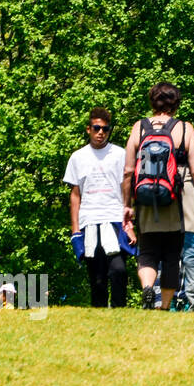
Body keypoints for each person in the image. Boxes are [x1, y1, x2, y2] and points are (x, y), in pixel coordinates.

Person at [122, 83, 194, 311]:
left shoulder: (139, 127)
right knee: (172, 252)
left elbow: (129, 171)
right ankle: (165, 305)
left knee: (148, 248)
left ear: (152, 101)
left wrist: (127, 205)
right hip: (176, 196)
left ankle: (148, 287)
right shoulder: (185, 128)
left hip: (145, 195)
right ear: (176, 103)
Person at [64, 107, 134, 307]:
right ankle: (99, 315)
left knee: (119, 269)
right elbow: (75, 195)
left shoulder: (120, 154)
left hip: (115, 219)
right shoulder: (78, 157)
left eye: (105, 129)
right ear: (88, 129)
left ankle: (120, 311)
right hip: (89, 221)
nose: (101, 132)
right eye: (96, 128)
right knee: (97, 277)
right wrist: (75, 229)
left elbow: (126, 190)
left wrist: (129, 223)